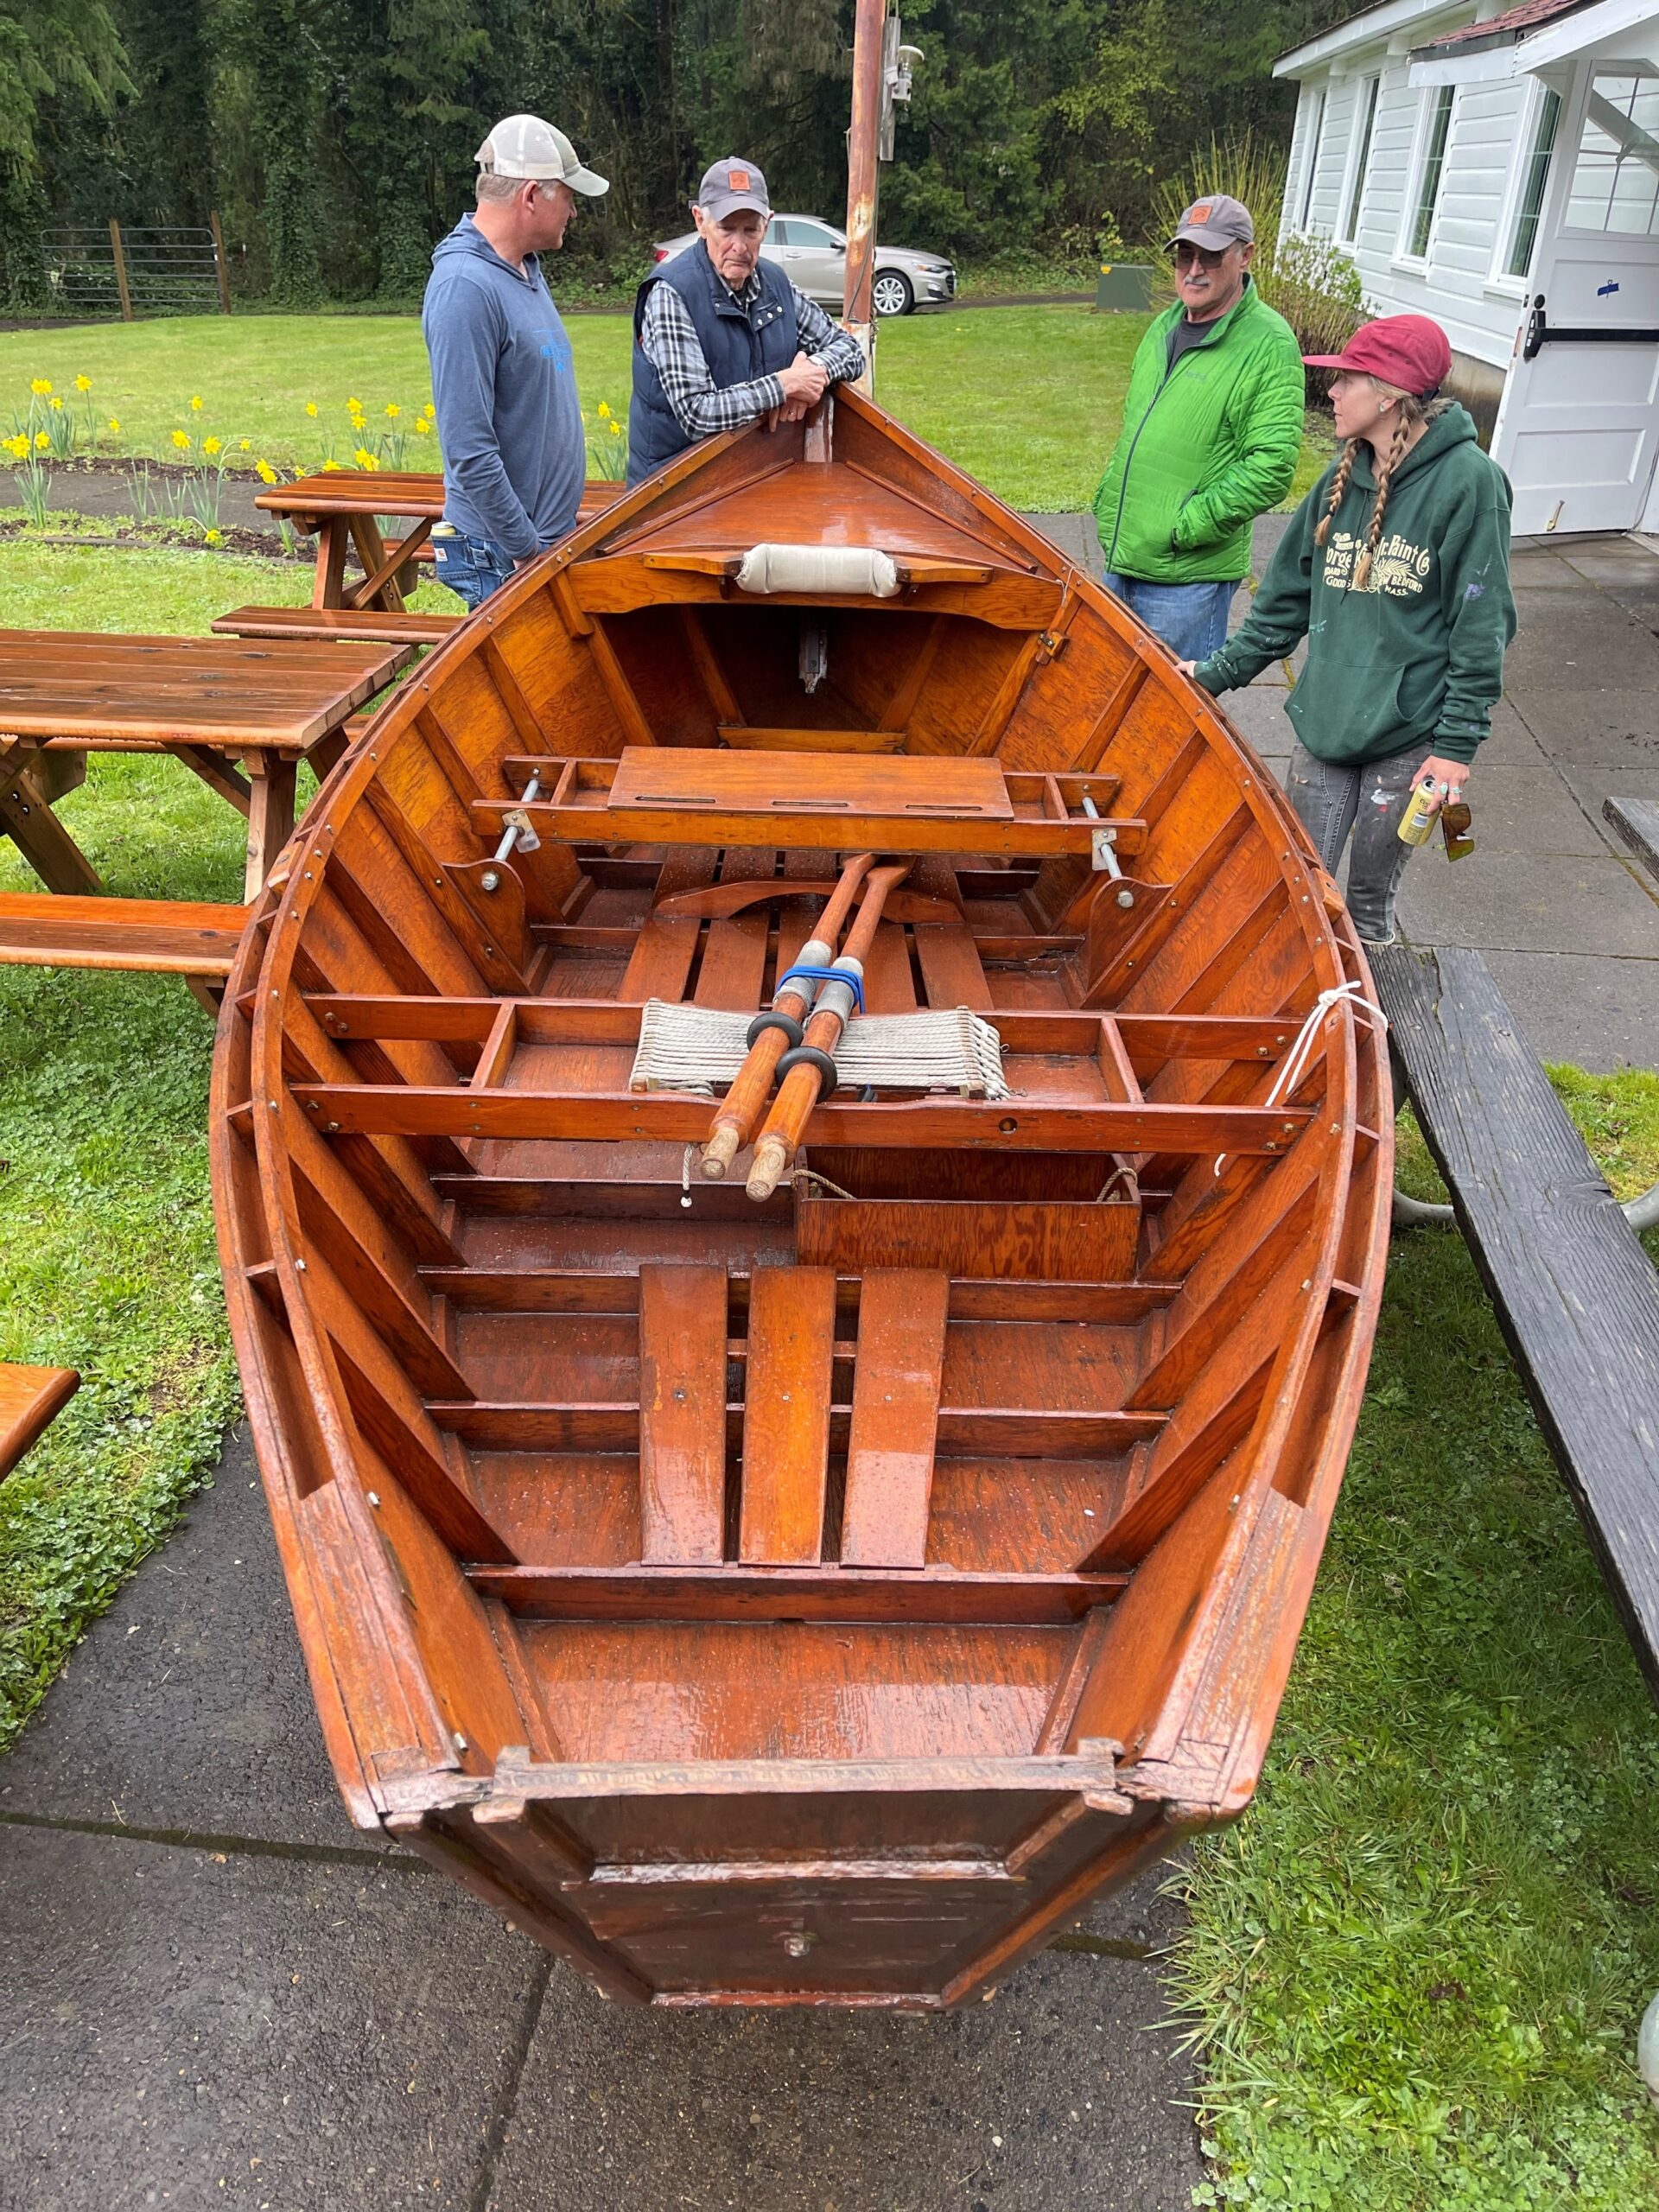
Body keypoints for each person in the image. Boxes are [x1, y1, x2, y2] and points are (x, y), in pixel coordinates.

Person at [1180, 315, 1516, 947]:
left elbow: (1482, 622)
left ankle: (1377, 1029)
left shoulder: (1470, 483)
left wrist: (1456, 749)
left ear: (1388, 394)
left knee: (1363, 910)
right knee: (1297, 894)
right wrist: (1216, 674)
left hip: (1409, 739)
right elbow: (1282, 601)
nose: (1330, 393)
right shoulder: (1341, 478)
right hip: (1327, 727)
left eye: (1344, 381)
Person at [1091, 194, 1305, 662]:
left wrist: (1182, 526)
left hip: (1186, 578)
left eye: (1210, 255)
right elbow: (1135, 427)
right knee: (1110, 702)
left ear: (1246, 255)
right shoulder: (1164, 327)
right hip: (1123, 554)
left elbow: (1271, 467)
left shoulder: (1269, 344)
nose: (1193, 269)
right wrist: (1110, 498)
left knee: (1173, 717)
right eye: (1185, 255)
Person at [423, 113, 609, 610]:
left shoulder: (525, 270)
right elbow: (468, 448)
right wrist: (527, 550)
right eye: (568, 197)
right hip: (504, 556)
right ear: (531, 196)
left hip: (541, 543)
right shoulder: (465, 288)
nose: (573, 212)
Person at [628, 157, 865, 486]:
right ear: (700, 221)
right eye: (726, 229)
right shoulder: (671, 293)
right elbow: (697, 414)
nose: (739, 246)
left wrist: (812, 375)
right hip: (674, 491)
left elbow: (851, 350)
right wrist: (784, 386)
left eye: (750, 230)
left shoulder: (776, 283)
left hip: (759, 476)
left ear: (766, 224)